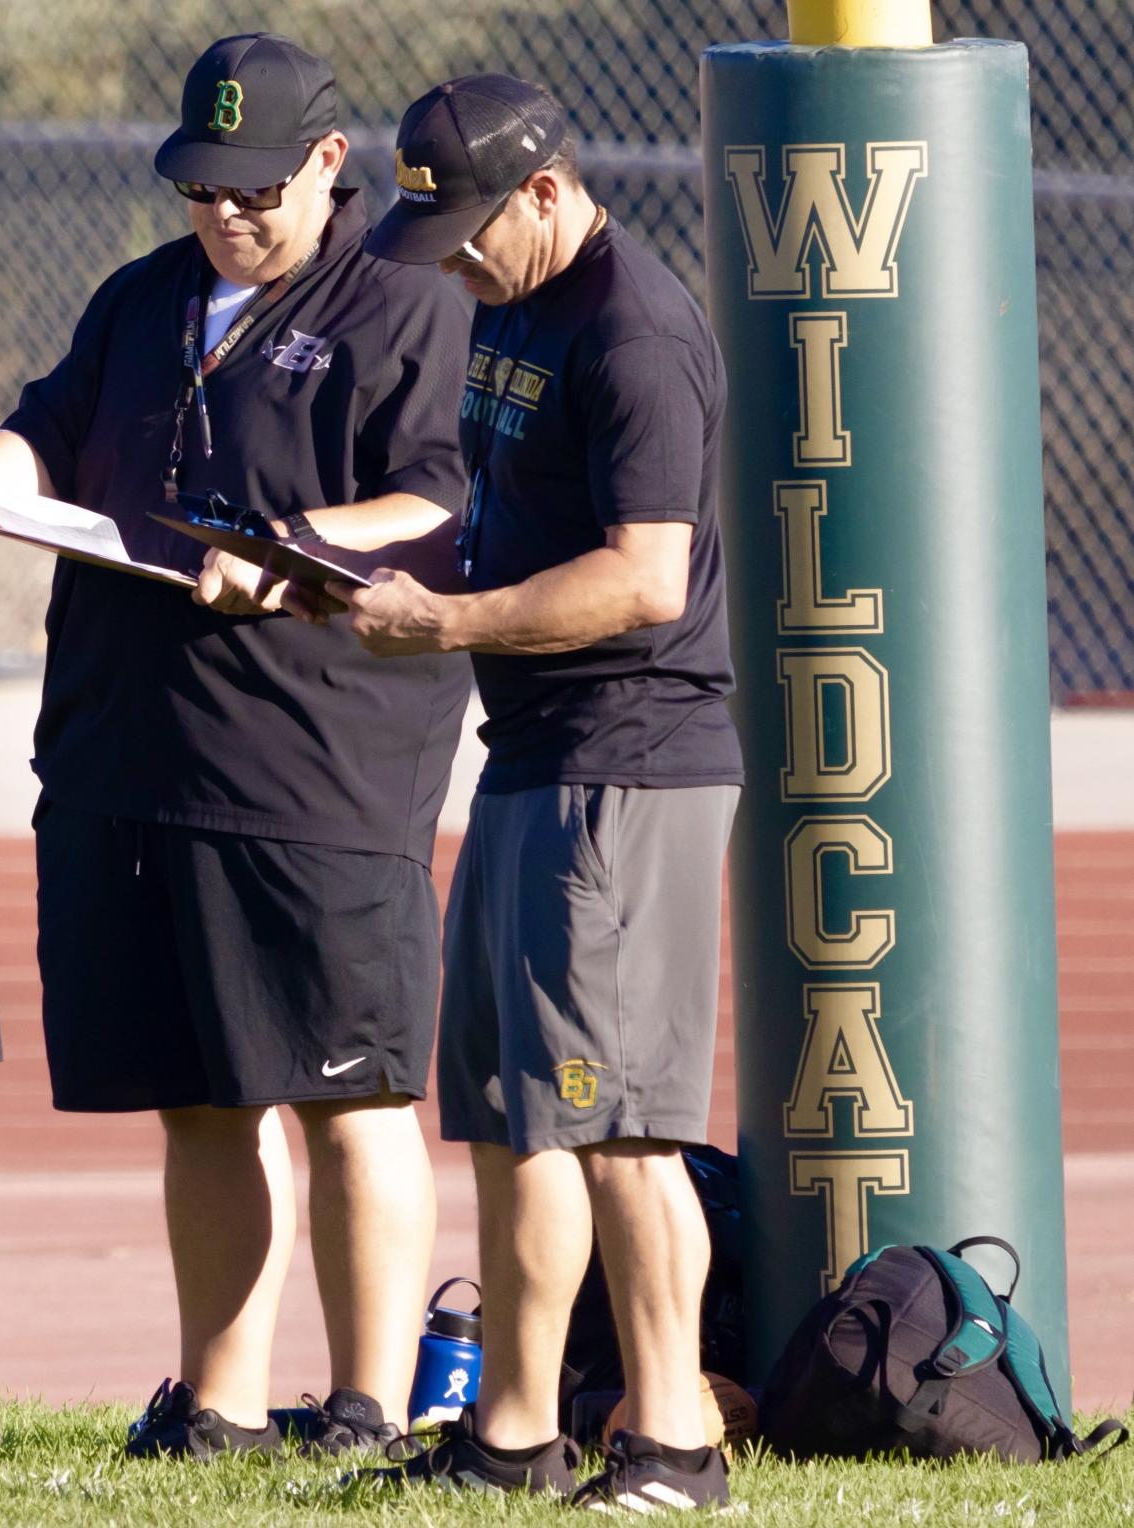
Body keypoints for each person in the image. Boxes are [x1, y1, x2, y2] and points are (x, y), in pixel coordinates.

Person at [0, 33, 473, 1460]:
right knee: (200, 1099)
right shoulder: (142, 297)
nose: (226, 213)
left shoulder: (403, 303)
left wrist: (292, 548)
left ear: (326, 165)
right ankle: (216, 1402)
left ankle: (369, 1405)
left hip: (315, 767)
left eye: (255, 188)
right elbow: (48, 428)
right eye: (202, 187)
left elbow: (429, 497)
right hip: (125, 755)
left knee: (353, 1099)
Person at [317, 75, 742, 1511]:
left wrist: (442, 626)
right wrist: (337, 567)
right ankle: (510, 1434)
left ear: (548, 191)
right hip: (533, 754)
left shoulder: (634, 331)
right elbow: (487, 516)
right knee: (508, 1117)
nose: (459, 265)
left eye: (474, 232)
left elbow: (643, 575)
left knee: (618, 1123)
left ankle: (674, 1438)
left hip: (628, 766)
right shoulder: (512, 307)